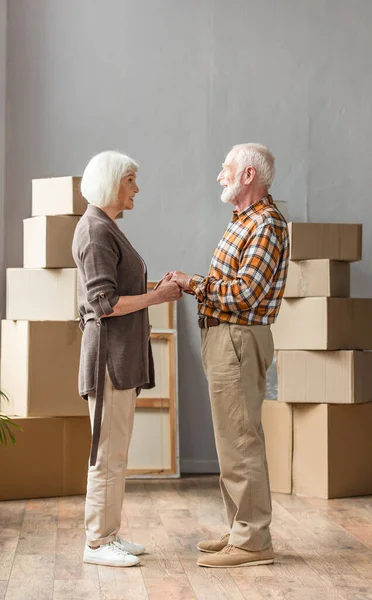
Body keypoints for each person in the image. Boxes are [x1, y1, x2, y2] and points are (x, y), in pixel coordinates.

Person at [170, 143, 289, 568]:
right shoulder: (244, 221)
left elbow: (246, 292)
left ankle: (254, 541)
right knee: (231, 439)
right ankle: (243, 528)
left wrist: (193, 283)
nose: (220, 175)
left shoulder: (265, 224)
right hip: (225, 339)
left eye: (226, 168)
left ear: (248, 176)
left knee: (241, 438)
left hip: (237, 339)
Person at [72, 150, 181, 568]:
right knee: (106, 453)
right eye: (131, 180)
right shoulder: (96, 230)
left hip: (118, 360)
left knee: (116, 452)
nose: (137, 188)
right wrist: (158, 296)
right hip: (108, 362)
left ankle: (108, 535)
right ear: (113, 183)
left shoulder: (104, 226)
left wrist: (159, 287)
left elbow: (114, 292)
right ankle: (97, 543)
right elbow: (103, 303)